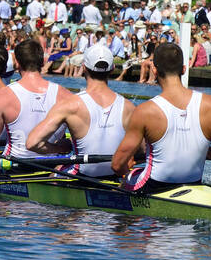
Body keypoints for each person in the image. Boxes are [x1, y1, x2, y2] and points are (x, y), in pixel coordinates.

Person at [111, 42, 211, 188]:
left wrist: (126, 176)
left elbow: (117, 164)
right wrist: (207, 153)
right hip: (193, 185)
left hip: (152, 187)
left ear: (154, 69)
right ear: (184, 69)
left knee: (131, 173)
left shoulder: (145, 111)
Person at [25, 43, 134, 176]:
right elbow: (141, 149)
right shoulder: (129, 107)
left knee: (56, 171)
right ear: (112, 69)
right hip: (116, 174)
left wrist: (61, 148)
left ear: (84, 68)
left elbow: (32, 143)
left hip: (82, 177)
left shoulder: (69, 105)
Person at [0, 38, 74, 158]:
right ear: (43, 62)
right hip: (52, 167)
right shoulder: (66, 95)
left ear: (17, 63)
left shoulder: (4, 95)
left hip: (14, 168)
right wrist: (61, 147)